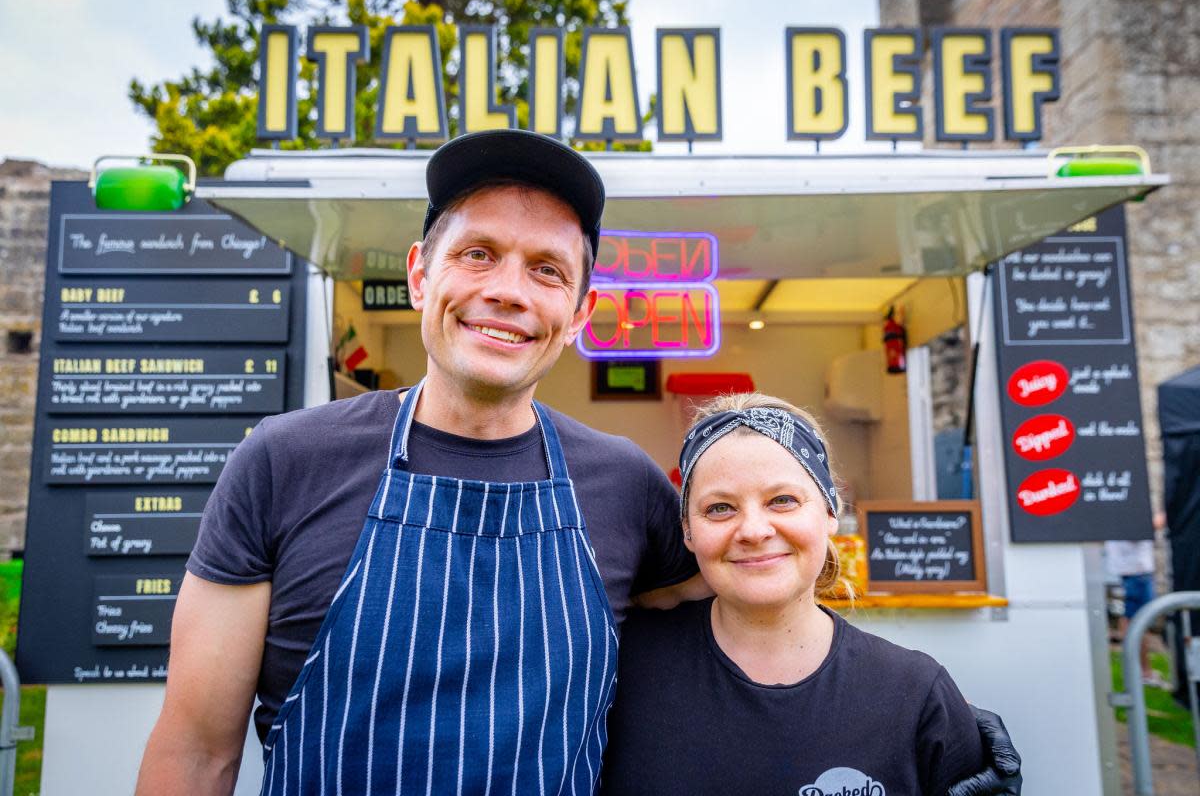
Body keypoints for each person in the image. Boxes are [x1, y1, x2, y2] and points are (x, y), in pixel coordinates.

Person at [136, 129, 1018, 795]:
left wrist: (912, 717)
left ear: (581, 310)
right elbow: (197, 746)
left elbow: (753, 590)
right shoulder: (283, 461)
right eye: (477, 253)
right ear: (418, 274)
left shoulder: (625, 485)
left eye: (548, 270)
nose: (509, 291)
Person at [603, 393, 1014, 796]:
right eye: (720, 508)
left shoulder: (916, 693)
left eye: (782, 501)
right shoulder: (617, 668)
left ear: (831, 511)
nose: (753, 530)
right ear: (688, 531)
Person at [1106, 530, 1163, 687]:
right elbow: (1135, 531)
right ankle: (1142, 672)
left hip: (1134, 569)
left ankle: (1141, 670)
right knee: (1136, 621)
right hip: (1135, 570)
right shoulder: (1126, 509)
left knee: (1133, 620)